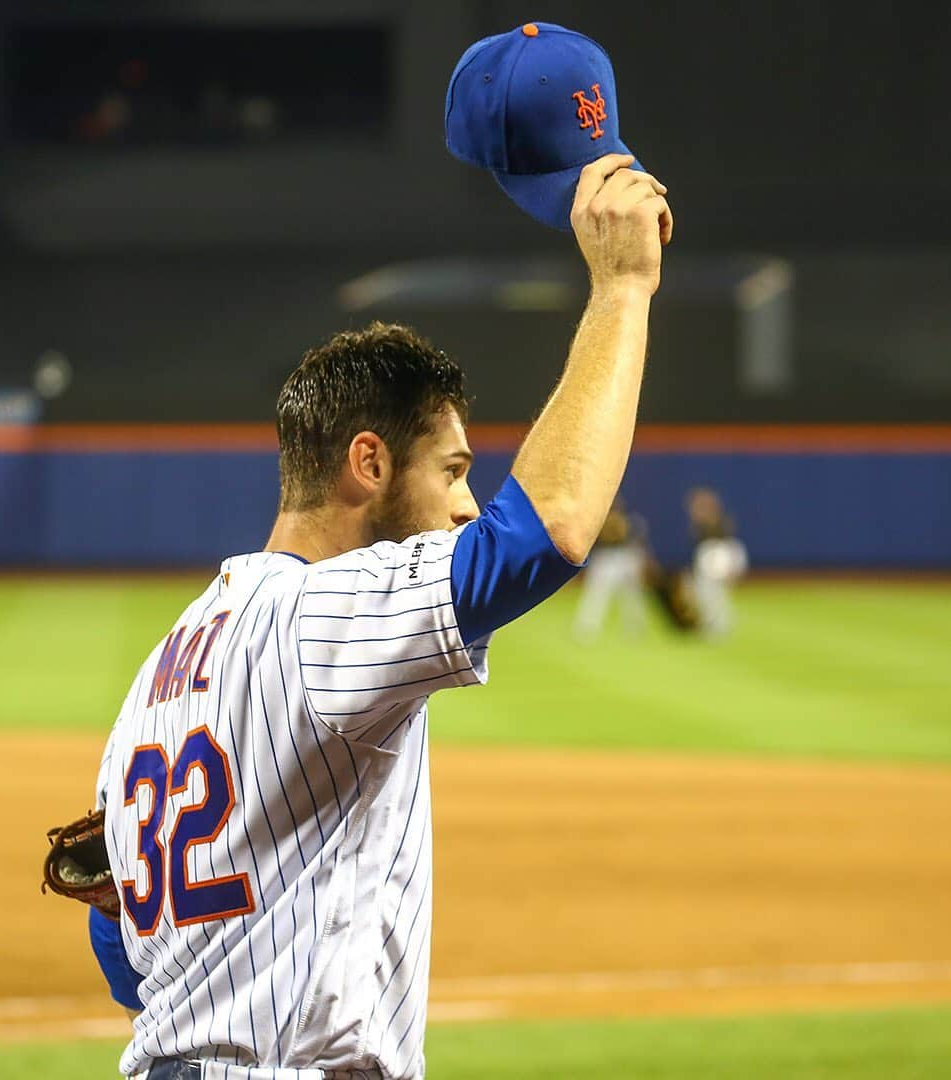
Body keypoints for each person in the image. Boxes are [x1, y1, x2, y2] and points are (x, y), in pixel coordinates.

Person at [88, 150, 670, 1080]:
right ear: (368, 462)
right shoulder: (324, 616)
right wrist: (624, 289)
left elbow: (118, 944)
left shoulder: (163, 667)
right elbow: (545, 535)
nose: (467, 502)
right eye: (452, 469)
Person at [571, 494, 649, 640]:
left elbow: (633, 540)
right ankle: (587, 627)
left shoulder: (625, 520)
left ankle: (634, 628)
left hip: (621, 558)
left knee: (631, 597)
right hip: (606, 559)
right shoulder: (602, 520)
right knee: (597, 595)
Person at [686, 487, 748, 637]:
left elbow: (723, 545)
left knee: (715, 593)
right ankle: (713, 625)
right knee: (705, 593)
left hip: (716, 556)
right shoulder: (702, 522)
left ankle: (720, 626)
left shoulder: (718, 520)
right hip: (708, 557)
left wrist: (730, 567)